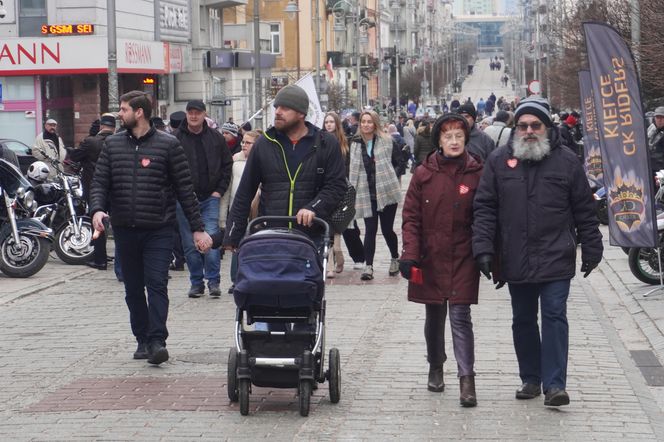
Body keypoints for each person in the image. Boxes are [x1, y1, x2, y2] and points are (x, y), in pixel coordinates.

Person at [472, 96, 603, 407]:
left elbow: (584, 208)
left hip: (556, 252)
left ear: (547, 127)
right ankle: (531, 378)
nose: (528, 131)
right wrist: (483, 248)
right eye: (523, 125)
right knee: (523, 319)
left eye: (535, 125)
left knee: (555, 315)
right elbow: (485, 207)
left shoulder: (567, 161)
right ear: (515, 128)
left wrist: (592, 246)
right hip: (516, 254)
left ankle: (555, 385)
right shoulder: (500, 161)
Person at [90, 90, 211, 365]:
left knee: (157, 284)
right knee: (133, 288)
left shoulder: (168, 145)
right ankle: (142, 339)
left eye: (123, 110)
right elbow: (99, 183)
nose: (119, 114)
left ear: (139, 112)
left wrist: (197, 228)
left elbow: (184, 189)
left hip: (158, 228)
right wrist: (97, 209)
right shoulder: (112, 145)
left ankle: (157, 341)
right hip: (124, 228)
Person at [400, 113, 482, 407]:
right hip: (430, 254)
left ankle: (466, 379)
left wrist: (486, 252)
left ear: (466, 139)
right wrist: (409, 254)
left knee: (461, 316)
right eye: (447, 136)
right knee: (434, 315)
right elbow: (410, 217)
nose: (454, 141)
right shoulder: (424, 173)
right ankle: (435, 364)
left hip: (463, 254)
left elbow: (486, 215)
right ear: (438, 141)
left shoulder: (476, 172)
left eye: (459, 135)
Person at [223, 84, 346, 251]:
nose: (278, 111)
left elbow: (336, 186)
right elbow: (245, 191)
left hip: (310, 236)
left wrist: (313, 208)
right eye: (277, 107)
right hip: (271, 235)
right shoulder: (264, 144)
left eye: (285, 108)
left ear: (301, 114)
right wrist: (232, 235)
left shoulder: (325, 143)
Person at [174, 99, 233, 299]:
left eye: (197, 112)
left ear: (204, 114)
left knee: (211, 240)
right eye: (190, 112)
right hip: (184, 199)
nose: (193, 115)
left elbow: (227, 166)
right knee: (190, 243)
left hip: (210, 197)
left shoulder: (216, 138)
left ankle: (214, 282)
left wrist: (219, 191)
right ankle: (196, 283)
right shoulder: (176, 139)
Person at [348, 110, 402, 281]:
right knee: (370, 230)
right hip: (366, 193)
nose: (366, 124)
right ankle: (368, 266)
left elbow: (399, 162)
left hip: (386, 192)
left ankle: (395, 257)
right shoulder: (355, 143)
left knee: (387, 230)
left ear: (375, 123)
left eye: (369, 121)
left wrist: (390, 176)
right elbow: (350, 167)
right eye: (363, 121)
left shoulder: (387, 141)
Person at [68, 114, 116, 270]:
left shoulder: (91, 142)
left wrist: (69, 149)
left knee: (97, 222)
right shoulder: (119, 142)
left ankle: (100, 259)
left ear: (101, 126)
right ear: (114, 128)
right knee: (119, 224)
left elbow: (75, 156)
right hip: (116, 189)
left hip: (95, 189)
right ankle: (121, 262)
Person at [219, 130, 260, 294]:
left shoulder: (263, 162)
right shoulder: (235, 161)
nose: (243, 145)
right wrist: (223, 218)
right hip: (238, 210)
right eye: (243, 142)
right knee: (237, 244)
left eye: (248, 143)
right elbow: (228, 191)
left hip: (257, 212)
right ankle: (236, 279)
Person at [323, 112, 353, 278]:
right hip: (325, 188)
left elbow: (348, 167)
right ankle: (329, 266)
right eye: (326, 122)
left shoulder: (344, 144)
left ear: (337, 124)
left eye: (331, 122)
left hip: (341, 188)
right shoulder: (320, 142)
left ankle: (338, 255)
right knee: (327, 224)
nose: (328, 125)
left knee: (338, 221)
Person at [648, 107, 664, 172]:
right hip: (647, 168)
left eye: (662, 117)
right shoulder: (649, 128)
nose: (659, 120)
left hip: (661, 170)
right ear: (654, 118)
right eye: (657, 117)